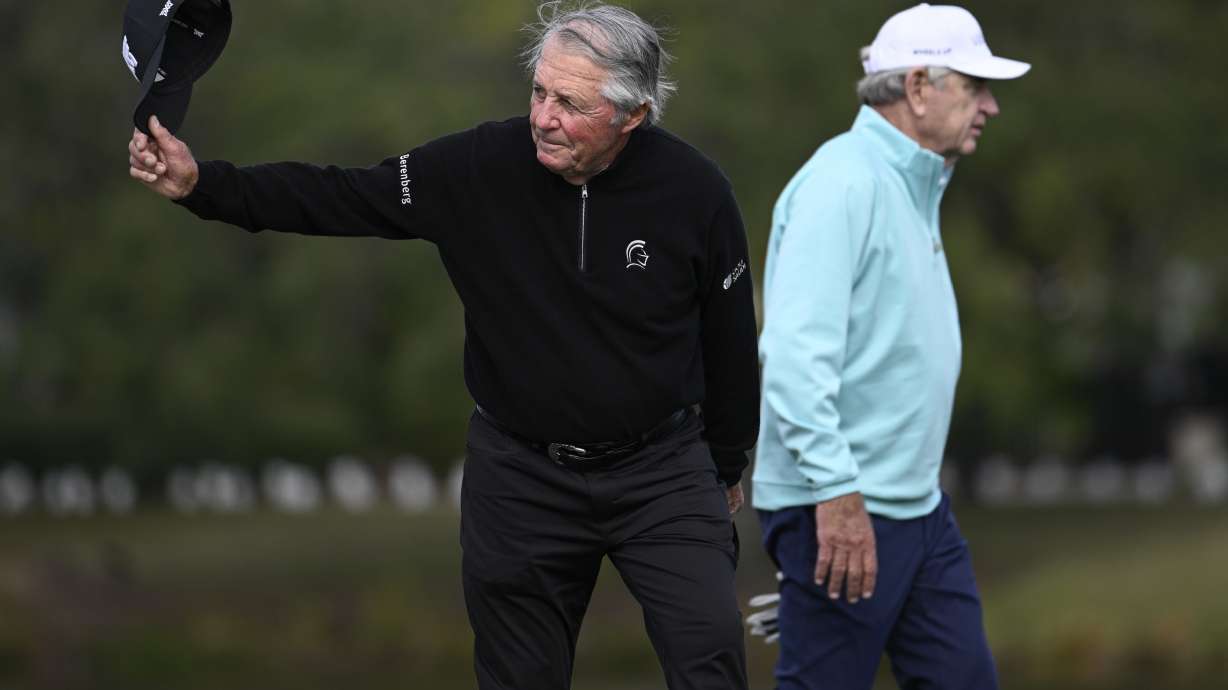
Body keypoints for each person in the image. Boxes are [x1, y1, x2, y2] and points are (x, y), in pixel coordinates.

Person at [127, 3, 759, 689]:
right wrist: (204, 186)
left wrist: (726, 461)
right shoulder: (477, 166)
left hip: (660, 471)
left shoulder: (696, 192)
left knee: (710, 654)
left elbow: (729, 341)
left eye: (570, 104)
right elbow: (339, 196)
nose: (544, 116)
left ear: (631, 115)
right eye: (540, 92)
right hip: (522, 476)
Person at [750, 4, 1030, 689]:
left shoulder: (912, 184)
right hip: (844, 504)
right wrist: (837, 497)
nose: (989, 106)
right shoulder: (840, 184)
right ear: (917, 88)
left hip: (916, 506)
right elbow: (792, 359)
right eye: (974, 87)